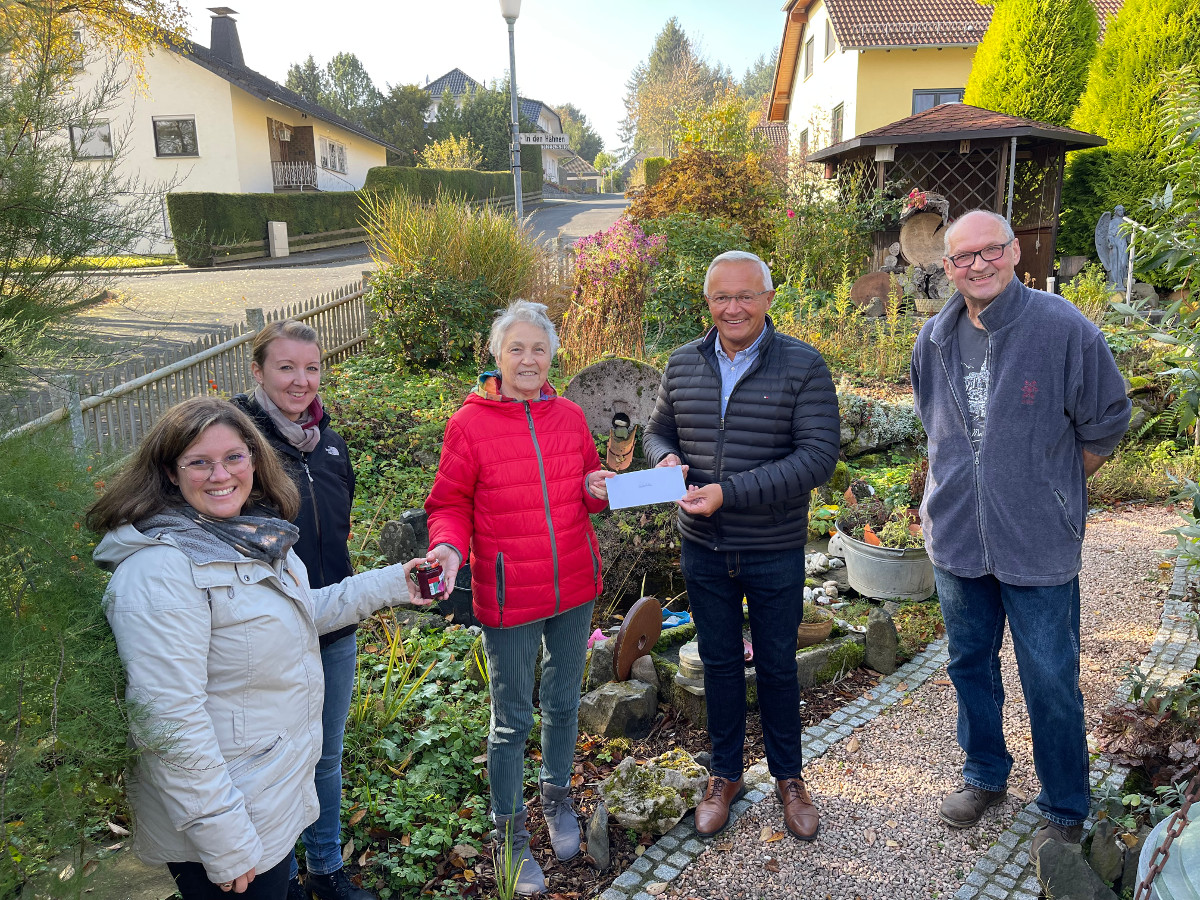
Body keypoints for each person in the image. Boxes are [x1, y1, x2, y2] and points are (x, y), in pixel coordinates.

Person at [87, 398, 423, 900]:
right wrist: (223, 840)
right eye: (199, 461)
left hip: (265, 796)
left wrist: (397, 582)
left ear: (255, 458)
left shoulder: (242, 536)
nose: (220, 474)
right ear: (169, 473)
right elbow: (167, 720)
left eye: (235, 457)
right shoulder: (160, 572)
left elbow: (296, 612)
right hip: (226, 819)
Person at [910, 210, 1131, 859]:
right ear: (946, 268)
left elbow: (1108, 419)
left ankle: (1064, 801)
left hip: (1039, 539)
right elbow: (935, 421)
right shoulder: (934, 339)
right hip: (956, 538)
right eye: (962, 258)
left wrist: (1051, 484)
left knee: (1050, 675)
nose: (977, 265)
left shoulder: (1062, 328)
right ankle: (984, 774)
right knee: (969, 665)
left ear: (1014, 254)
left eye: (990, 252)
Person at [411, 300, 612, 896]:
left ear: (552, 356)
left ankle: (556, 798)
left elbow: (587, 491)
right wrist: (448, 548)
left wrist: (597, 489)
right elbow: (448, 504)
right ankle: (511, 835)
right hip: (508, 592)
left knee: (564, 702)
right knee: (511, 720)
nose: (529, 359)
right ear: (496, 356)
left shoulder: (571, 416)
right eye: (516, 348)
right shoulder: (468, 425)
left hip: (573, 583)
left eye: (539, 349)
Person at [643, 250, 840, 842]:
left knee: (779, 666)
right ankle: (725, 774)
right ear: (707, 303)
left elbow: (816, 458)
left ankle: (789, 778)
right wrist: (665, 458)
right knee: (721, 665)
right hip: (703, 547)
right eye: (722, 297)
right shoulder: (682, 364)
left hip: (772, 545)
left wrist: (728, 493)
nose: (734, 307)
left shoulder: (804, 365)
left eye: (746, 295)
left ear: (768, 298)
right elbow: (657, 430)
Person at [232, 321, 368, 900]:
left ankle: (326, 869)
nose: (301, 381)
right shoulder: (239, 445)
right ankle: (282, 879)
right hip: (271, 633)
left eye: (311, 368)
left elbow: (339, 516)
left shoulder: (328, 441)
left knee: (325, 756)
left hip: (333, 622)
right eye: (286, 367)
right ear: (258, 370)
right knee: (276, 763)